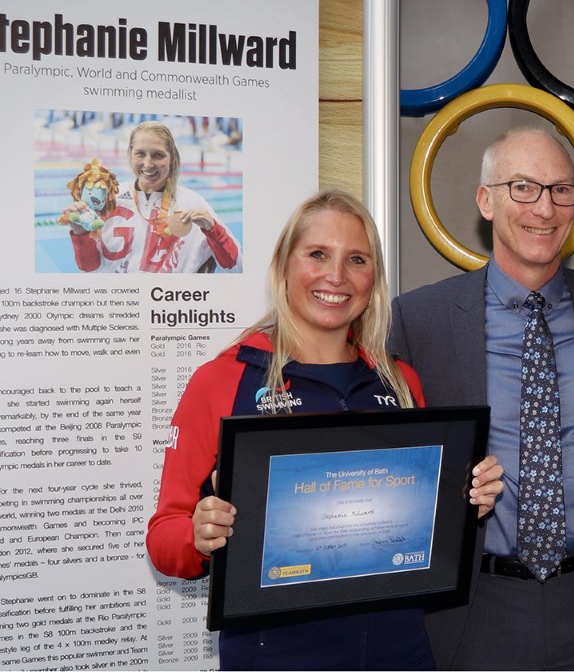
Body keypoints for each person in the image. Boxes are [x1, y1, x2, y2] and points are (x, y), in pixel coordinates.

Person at [146, 190, 504, 670]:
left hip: (401, 654)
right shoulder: (223, 379)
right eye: (318, 254)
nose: (336, 277)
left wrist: (466, 501)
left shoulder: (400, 382)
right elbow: (163, 536)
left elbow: (421, 527)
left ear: (373, 277)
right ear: (284, 265)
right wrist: (197, 535)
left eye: (356, 259)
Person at [389, 127, 574, 669]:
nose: (545, 208)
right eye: (524, 187)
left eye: (561, 190)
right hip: (476, 608)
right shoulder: (419, 321)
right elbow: (396, 464)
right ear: (486, 200)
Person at [62, 120, 243, 273]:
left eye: (158, 155)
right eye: (140, 154)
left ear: (171, 158)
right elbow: (90, 267)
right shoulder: (109, 199)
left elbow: (236, 266)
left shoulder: (192, 203)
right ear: (130, 155)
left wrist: (212, 229)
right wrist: (80, 232)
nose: (148, 164)